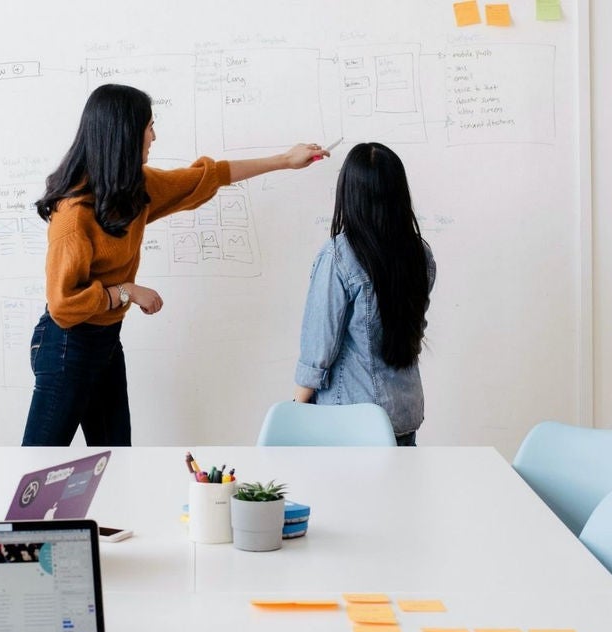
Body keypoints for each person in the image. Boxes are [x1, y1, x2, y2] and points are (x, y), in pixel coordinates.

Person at [24, 83, 327, 446]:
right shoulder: (73, 216)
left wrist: (285, 160)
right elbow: (62, 306)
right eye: (148, 126)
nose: (154, 135)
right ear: (124, 134)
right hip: (65, 346)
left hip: (104, 342)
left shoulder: (133, 190)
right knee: (40, 466)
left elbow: (207, 177)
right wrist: (126, 292)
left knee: (116, 461)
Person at [293, 142, 435, 446]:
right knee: (396, 494)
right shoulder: (419, 253)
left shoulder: (339, 255)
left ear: (349, 192)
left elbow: (319, 347)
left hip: (350, 419)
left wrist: (296, 408)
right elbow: (413, 329)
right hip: (403, 413)